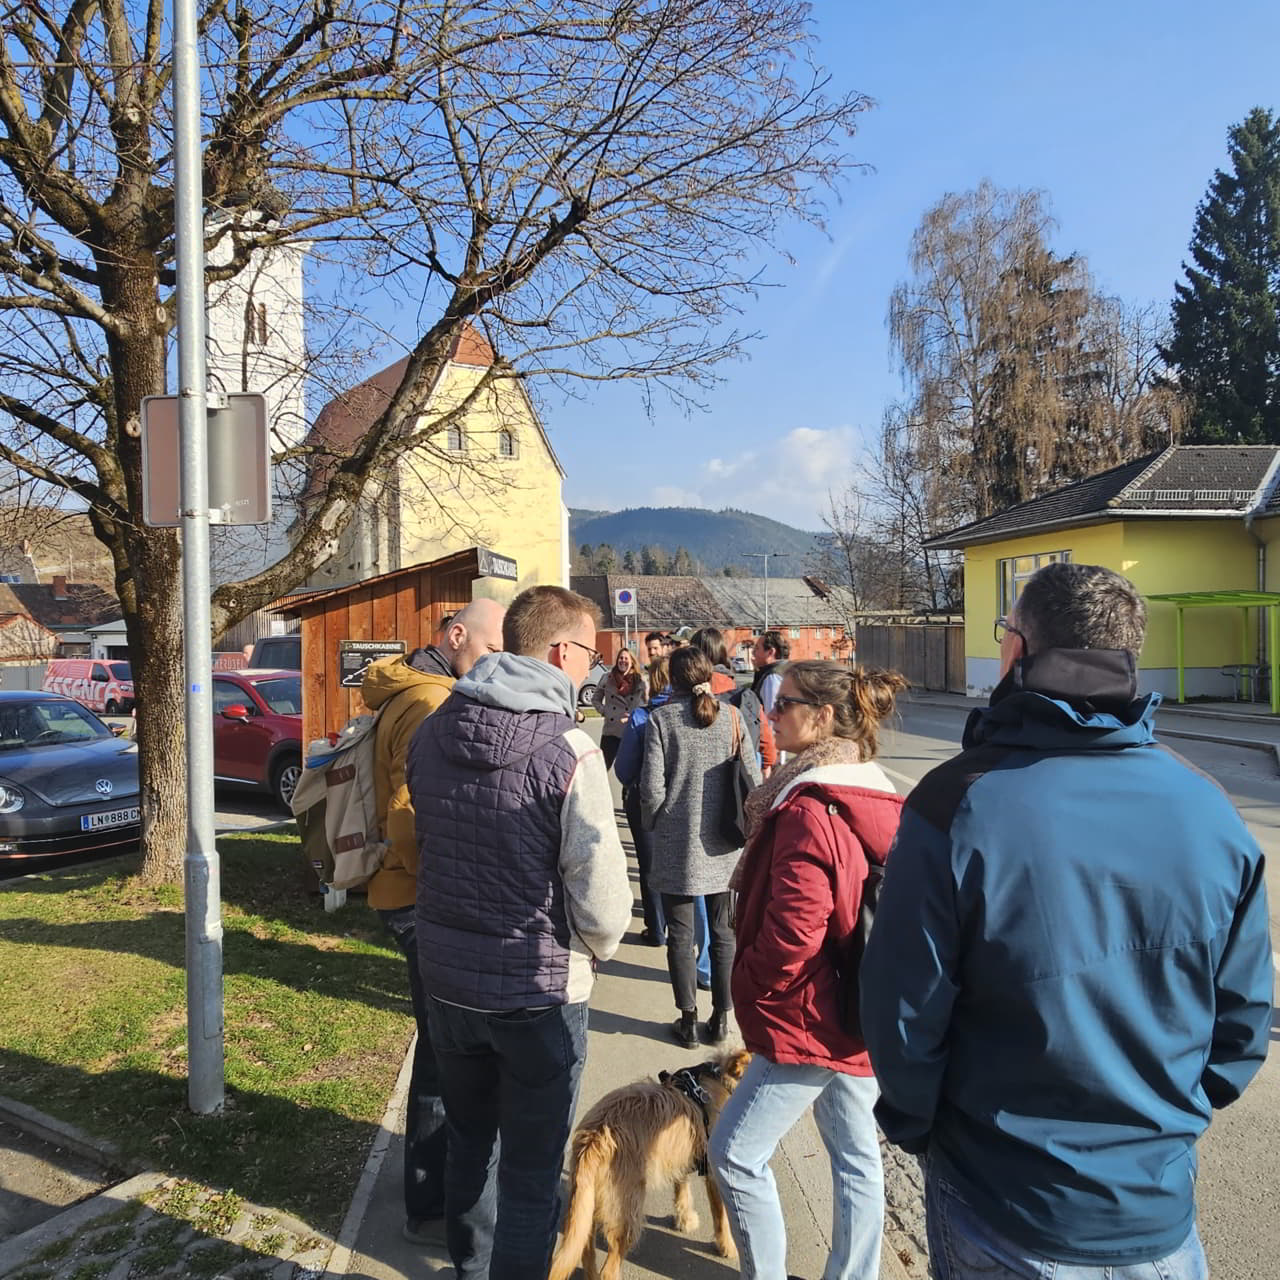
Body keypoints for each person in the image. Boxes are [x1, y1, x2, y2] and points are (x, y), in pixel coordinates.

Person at [860, 562, 1273, 1280]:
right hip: (1158, 1216)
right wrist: (1162, 1129)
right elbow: (1241, 1024)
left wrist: (921, 1129)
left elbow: (903, 1015)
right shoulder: (1208, 808)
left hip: (1003, 1207)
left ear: (1018, 651)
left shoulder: (954, 804)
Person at [407, 586, 633, 1280]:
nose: (594, 670)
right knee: (533, 1175)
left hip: (448, 980)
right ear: (563, 651)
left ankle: (471, 1269)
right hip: (538, 990)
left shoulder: (433, 729)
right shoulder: (570, 751)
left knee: (471, 1140)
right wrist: (596, 952)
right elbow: (600, 900)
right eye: (591, 655)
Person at [709, 660, 906, 1280]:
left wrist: (755, 984)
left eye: (784, 702)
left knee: (735, 1154)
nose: (770, 712)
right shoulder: (872, 791)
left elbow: (795, 929)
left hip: (807, 1015)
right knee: (855, 1155)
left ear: (822, 718)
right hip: (858, 1000)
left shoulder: (806, 807)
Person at [361, 598, 505, 1244]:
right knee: (451, 1057)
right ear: (456, 636)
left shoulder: (416, 688)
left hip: (406, 892)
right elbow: (407, 811)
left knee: (440, 1052)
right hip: (422, 897)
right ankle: (439, 1203)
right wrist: (447, 887)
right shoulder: (431, 702)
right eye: (493, 648)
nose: (499, 662)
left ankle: (431, 1197)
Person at [640, 646, 761, 1048]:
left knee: (679, 932)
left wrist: (656, 823)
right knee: (724, 932)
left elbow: (651, 789)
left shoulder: (662, 719)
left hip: (676, 841)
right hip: (725, 844)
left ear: (671, 679)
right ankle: (722, 1018)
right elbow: (753, 777)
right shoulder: (731, 717)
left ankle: (687, 1019)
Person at [616, 656, 671, 946]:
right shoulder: (687, 713)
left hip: (643, 797)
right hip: (679, 797)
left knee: (649, 864)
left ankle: (656, 926)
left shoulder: (642, 716)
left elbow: (624, 768)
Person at [591, 647, 648, 771]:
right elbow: (595, 699)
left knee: (629, 772)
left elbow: (646, 704)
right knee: (602, 769)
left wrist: (636, 717)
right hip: (611, 732)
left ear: (632, 661)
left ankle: (627, 791)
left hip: (631, 732)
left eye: (626, 658)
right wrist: (605, 711)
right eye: (620, 658)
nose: (623, 661)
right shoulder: (607, 677)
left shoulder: (640, 680)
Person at [750, 630, 789, 715]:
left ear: (771, 652)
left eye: (757, 648)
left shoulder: (772, 678)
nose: (753, 652)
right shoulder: (786, 669)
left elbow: (771, 716)